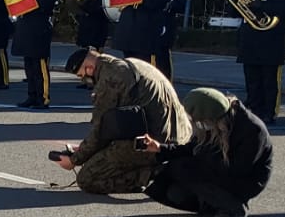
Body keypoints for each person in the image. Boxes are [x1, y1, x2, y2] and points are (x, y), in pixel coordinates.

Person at [55, 48, 192, 195]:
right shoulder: (134, 64)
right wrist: (84, 148)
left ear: (89, 69)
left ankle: (153, 174)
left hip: (151, 143)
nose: (85, 81)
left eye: (82, 76)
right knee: (103, 152)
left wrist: (75, 159)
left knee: (88, 178)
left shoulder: (110, 79)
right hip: (180, 136)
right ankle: (157, 167)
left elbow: (100, 129)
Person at [138, 88, 273, 217]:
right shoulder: (215, 122)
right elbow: (192, 148)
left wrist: (200, 161)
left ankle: (232, 206)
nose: (198, 126)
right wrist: (160, 148)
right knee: (174, 192)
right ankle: (211, 204)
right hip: (220, 169)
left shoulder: (252, 130)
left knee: (183, 167)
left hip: (246, 181)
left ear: (211, 118)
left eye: (200, 122)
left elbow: (239, 169)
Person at [11, 0, 61, 109]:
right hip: (27, 28)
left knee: (40, 66)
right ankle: (31, 95)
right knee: (29, 65)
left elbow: (43, 6)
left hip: (39, 29)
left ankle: (43, 97)